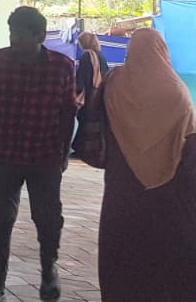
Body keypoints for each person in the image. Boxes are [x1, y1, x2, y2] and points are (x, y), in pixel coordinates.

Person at [0, 6, 75, 302]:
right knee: (0, 218)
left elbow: (67, 112)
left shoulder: (62, 67)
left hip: (45, 155)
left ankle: (49, 272)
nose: (15, 39)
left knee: (47, 218)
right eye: (12, 33)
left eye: (22, 34)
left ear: (40, 36)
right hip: (5, 154)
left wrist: (63, 153)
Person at [98, 28, 196, 301]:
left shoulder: (113, 84)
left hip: (122, 189)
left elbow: (98, 123)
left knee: (122, 253)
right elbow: (190, 144)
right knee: (167, 254)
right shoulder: (176, 92)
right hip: (170, 193)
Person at [76, 32, 104, 109]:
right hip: (101, 96)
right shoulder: (101, 56)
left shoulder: (86, 56)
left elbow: (80, 80)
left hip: (89, 98)